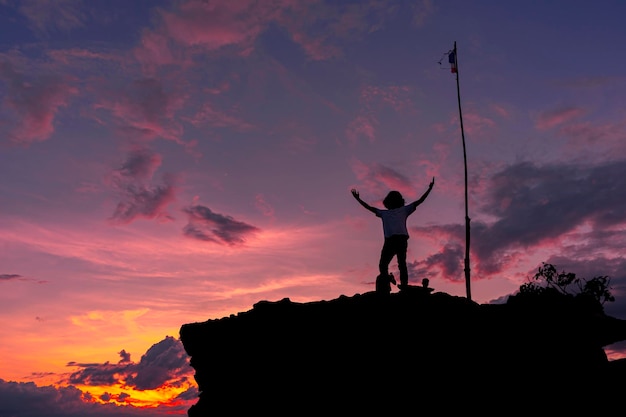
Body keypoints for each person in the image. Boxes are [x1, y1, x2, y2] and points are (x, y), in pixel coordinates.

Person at [351, 178, 435, 289]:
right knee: (386, 264)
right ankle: (388, 282)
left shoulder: (403, 210)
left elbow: (420, 201)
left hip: (399, 239)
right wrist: (358, 199)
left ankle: (403, 286)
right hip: (391, 240)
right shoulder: (385, 213)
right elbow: (369, 208)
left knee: (399, 264)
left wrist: (429, 189)